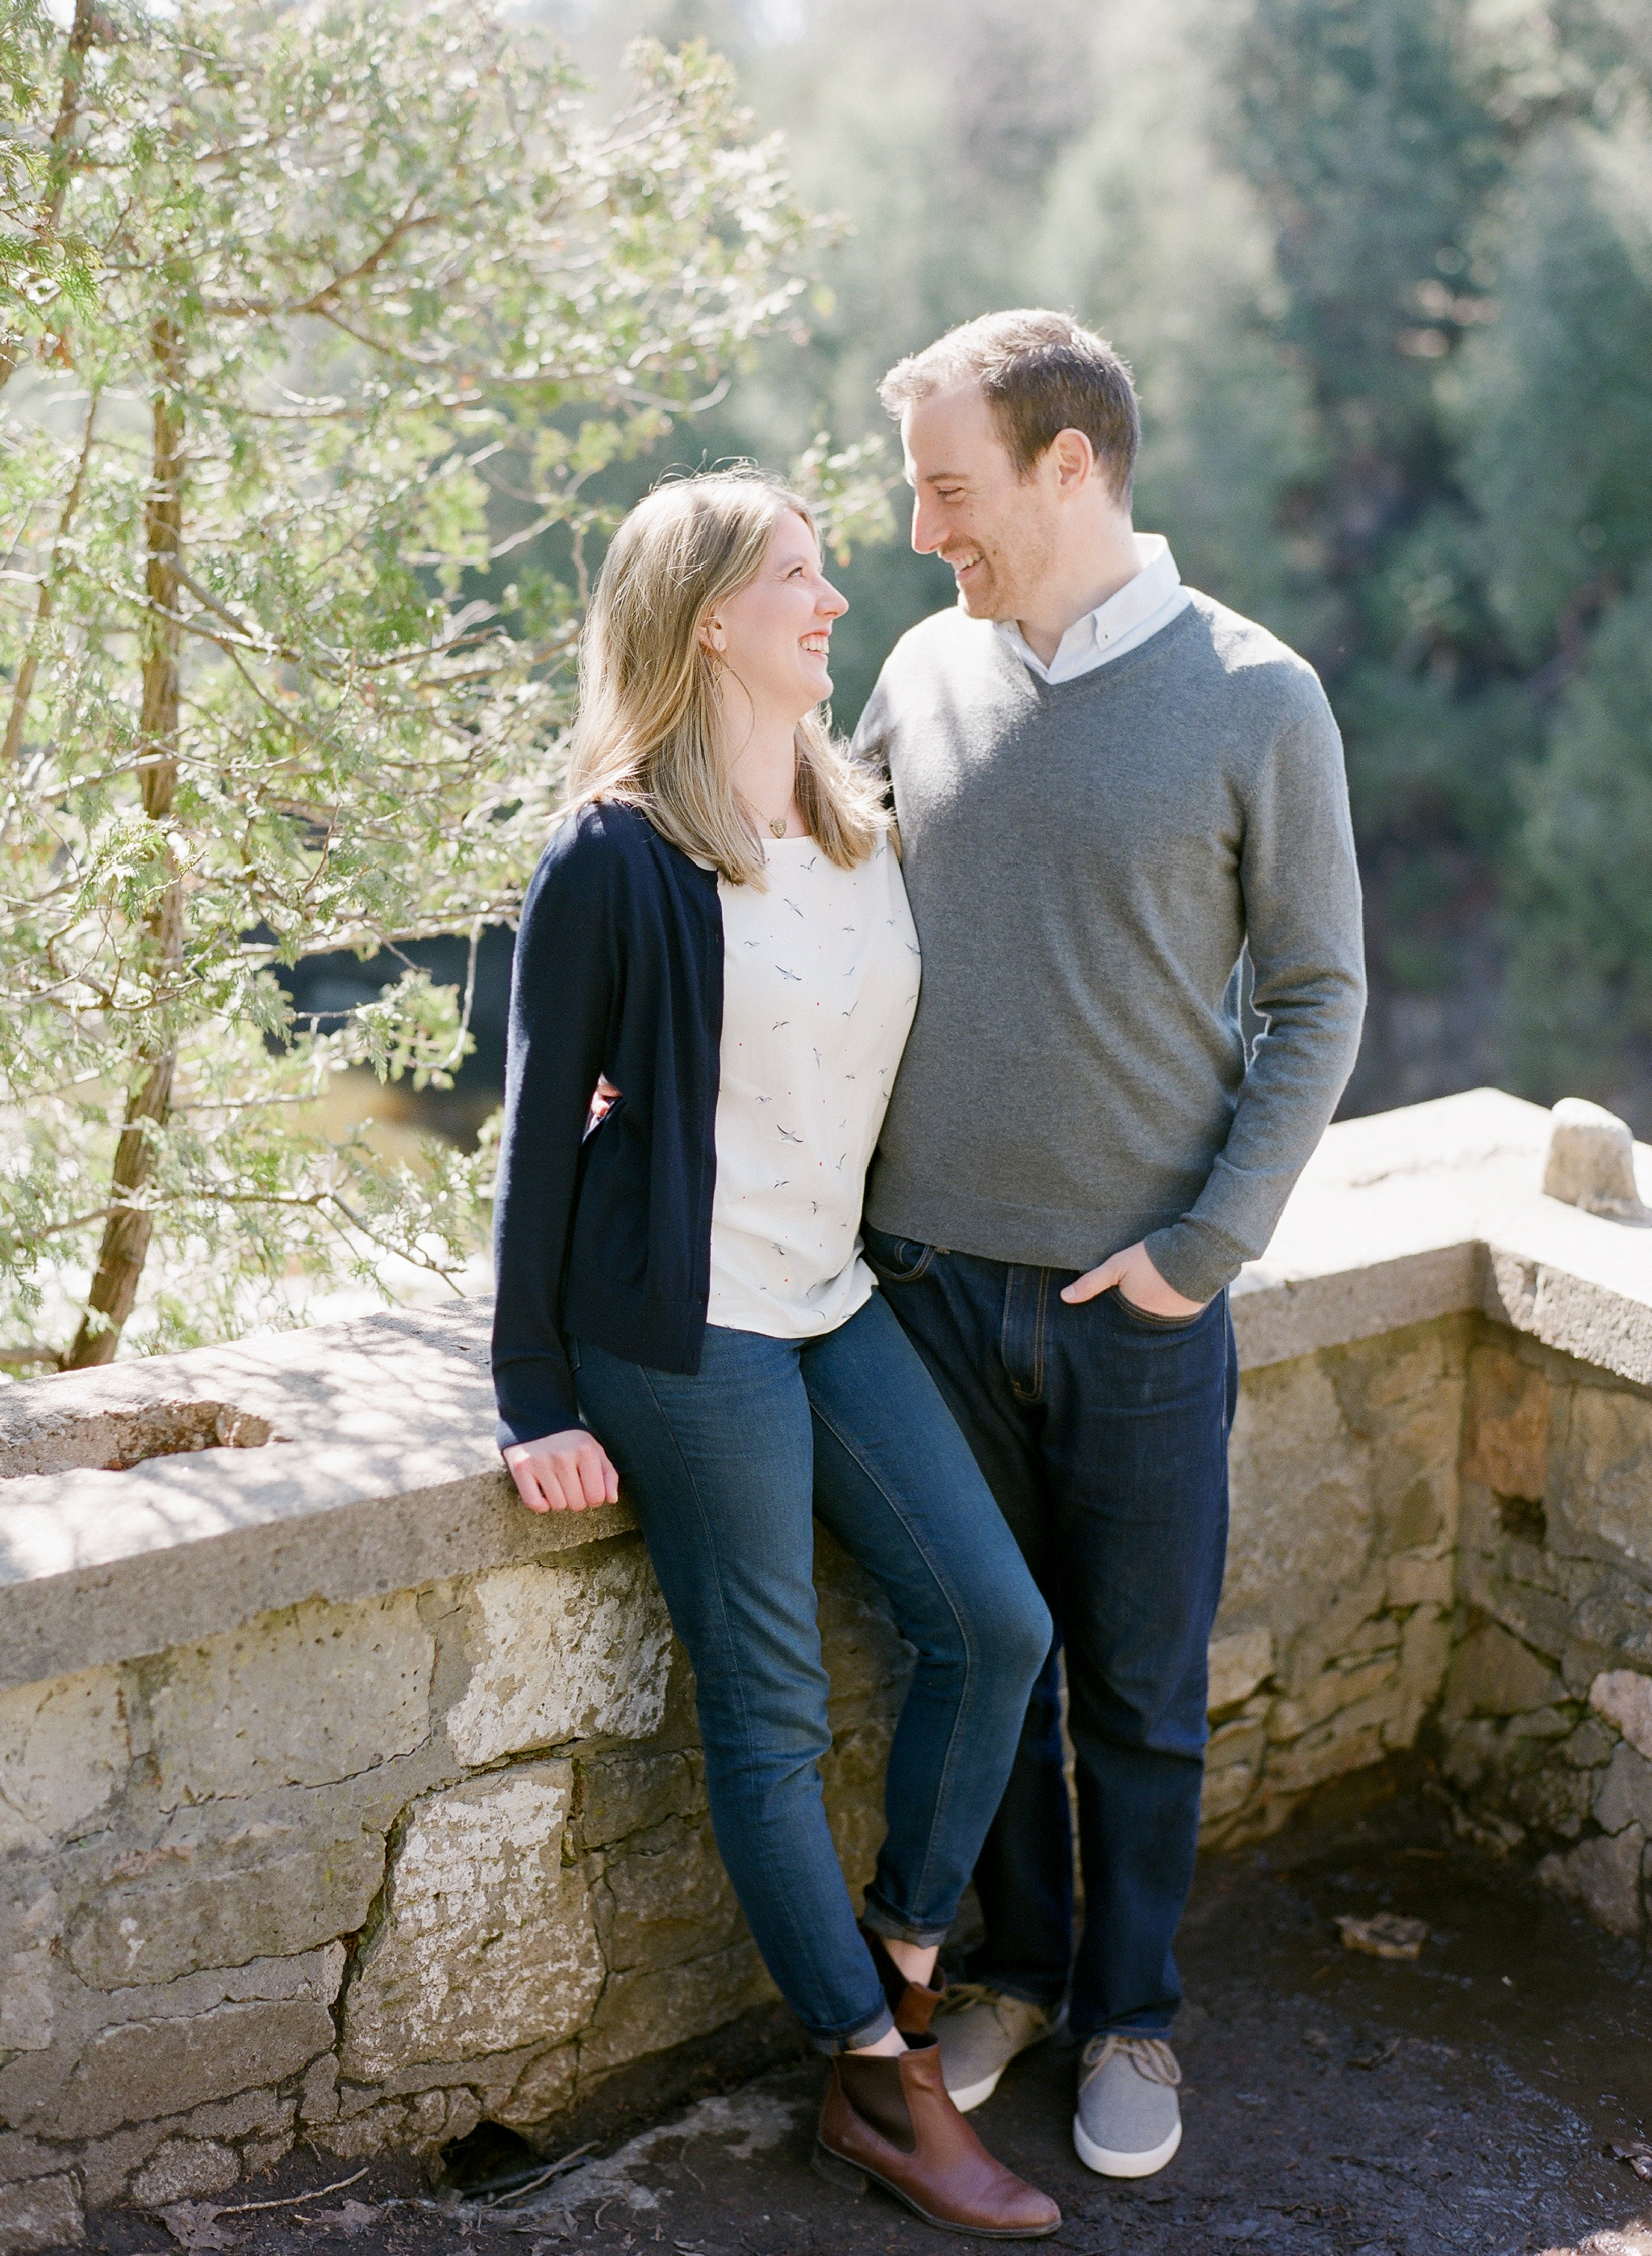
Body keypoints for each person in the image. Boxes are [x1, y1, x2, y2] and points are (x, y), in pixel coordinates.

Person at [490, 470, 1061, 2241]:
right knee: (771, 1712)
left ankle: (898, 1945)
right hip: (681, 1330)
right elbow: (535, 1132)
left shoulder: (856, 814)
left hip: (833, 1294)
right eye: (798, 579)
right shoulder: (615, 856)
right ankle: (874, 2084)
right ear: (710, 619)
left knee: (994, 1623)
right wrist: (533, 1395)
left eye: (823, 574)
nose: (833, 600)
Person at [851, 311, 1366, 2181]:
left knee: (1140, 1687)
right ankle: (1015, 1970)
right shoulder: (918, 670)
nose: (924, 532)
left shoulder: (1256, 693)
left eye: (950, 487)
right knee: (984, 1659)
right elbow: (815, 905)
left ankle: (1133, 2014)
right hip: (914, 1289)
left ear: (1069, 466)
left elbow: (1317, 1000)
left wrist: (1201, 1247)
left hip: (1138, 1300)